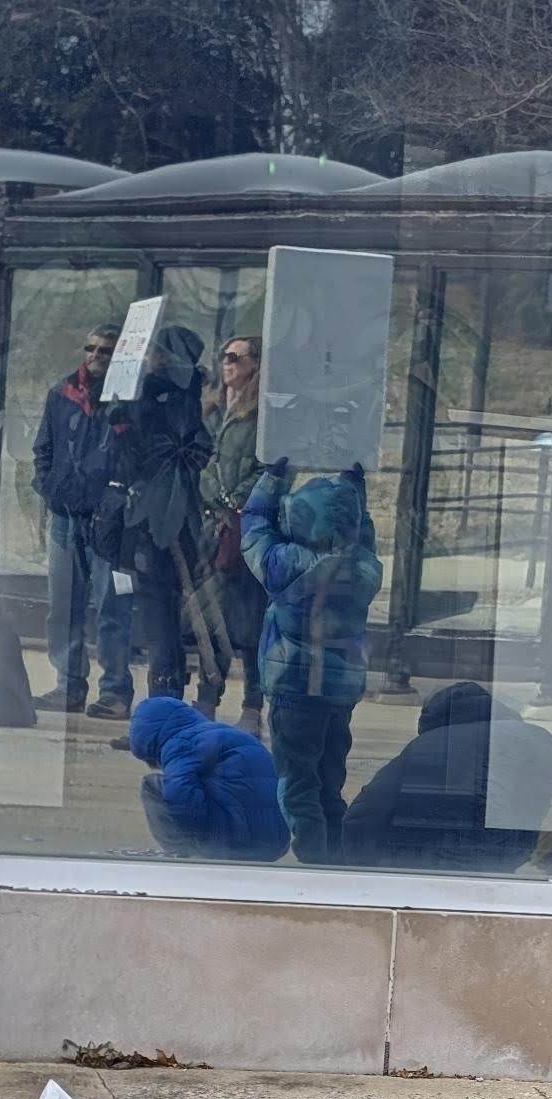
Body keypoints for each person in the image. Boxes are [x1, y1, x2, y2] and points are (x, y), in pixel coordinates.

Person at [241, 456, 382, 864]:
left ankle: (312, 859)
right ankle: (335, 855)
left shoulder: (284, 564)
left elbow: (253, 525)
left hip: (293, 691)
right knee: (329, 778)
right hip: (340, 691)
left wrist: (274, 476)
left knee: (297, 781)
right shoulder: (364, 569)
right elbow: (363, 533)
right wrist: (354, 487)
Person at [94, 324, 213, 721]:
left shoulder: (168, 397)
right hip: (166, 519)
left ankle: (163, 716)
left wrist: (130, 414)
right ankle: (167, 710)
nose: (147, 360)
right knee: (160, 620)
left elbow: (152, 453)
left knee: (159, 620)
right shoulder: (184, 395)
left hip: (162, 523)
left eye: (154, 353)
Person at [341, 678, 552, 870]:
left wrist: (368, 873)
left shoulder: (430, 744)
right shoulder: (538, 739)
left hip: (432, 866)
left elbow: (363, 816)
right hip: (504, 858)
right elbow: (534, 809)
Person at [31, 325, 133, 715]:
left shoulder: (128, 398)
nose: (95, 356)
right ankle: (69, 684)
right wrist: (48, 487)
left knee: (112, 606)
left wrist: (117, 498)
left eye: (105, 351)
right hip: (66, 514)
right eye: (90, 348)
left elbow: (134, 455)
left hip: (109, 519)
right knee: (64, 605)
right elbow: (44, 446)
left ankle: (116, 691)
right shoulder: (62, 393)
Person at [189, 334, 266, 733]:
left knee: (250, 620)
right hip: (210, 529)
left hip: (245, 528)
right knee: (209, 618)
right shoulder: (214, 411)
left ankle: (253, 704)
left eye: (235, 357)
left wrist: (235, 501)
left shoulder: (263, 416)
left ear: (255, 363)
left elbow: (269, 469)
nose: (226, 363)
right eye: (223, 356)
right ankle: (207, 698)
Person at [126, 695, 289, 863]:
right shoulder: (227, 734)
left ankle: (180, 854)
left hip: (233, 843)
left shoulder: (181, 743)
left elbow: (181, 796)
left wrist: (196, 837)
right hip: (275, 843)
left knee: (152, 786)